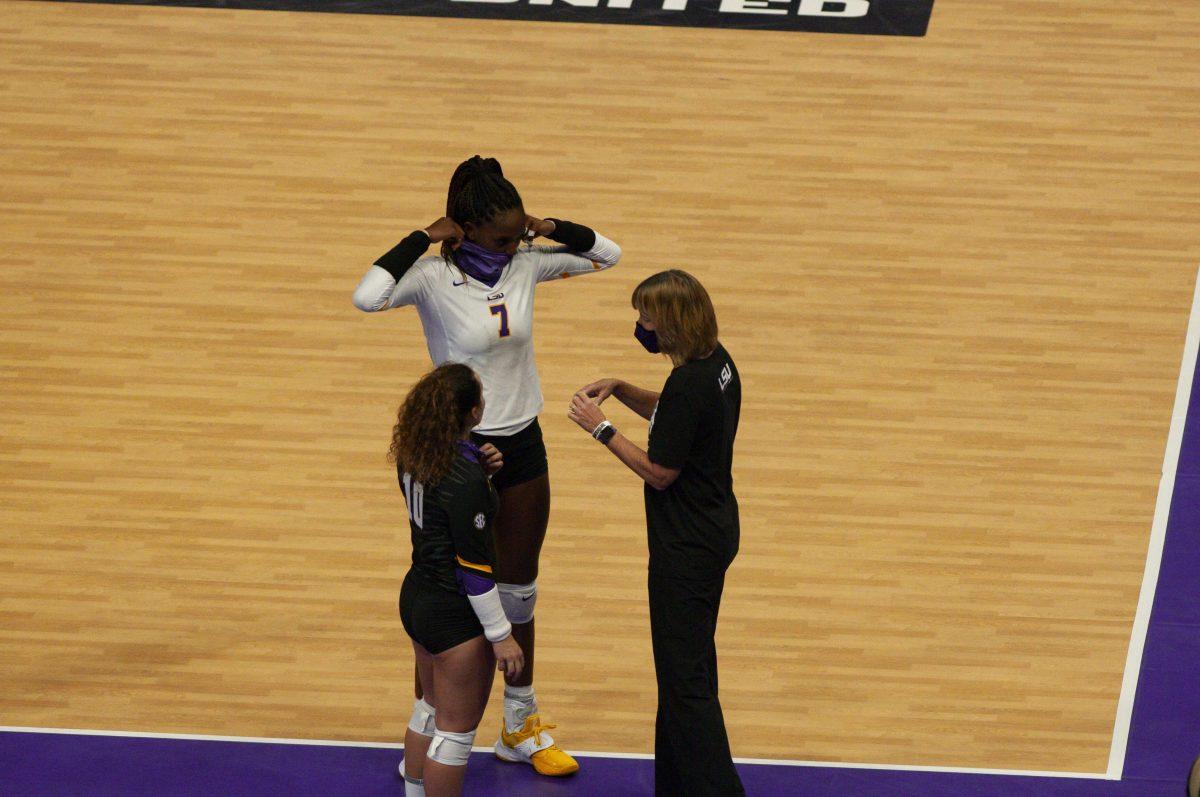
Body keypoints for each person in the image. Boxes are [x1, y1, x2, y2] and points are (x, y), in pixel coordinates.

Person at [353, 155, 620, 776]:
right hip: (456, 450)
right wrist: (422, 236)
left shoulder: (527, 262)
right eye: (501, 237)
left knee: (519, 588)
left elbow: (609, 254)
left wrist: (547, 224)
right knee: (448, 586)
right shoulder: (428, 279)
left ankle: (518, 723)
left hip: (522, 442)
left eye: (518, 233)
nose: (513, 246)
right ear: (464, 230)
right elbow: (367, 297)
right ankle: (433, 712)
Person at [568, 270, 745, 796]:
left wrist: (600, 427)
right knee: (684, 672)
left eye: (645, 317)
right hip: (713, 527)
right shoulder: (717, 364)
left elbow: (660, 471)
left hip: (686, 547)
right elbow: (673, 416)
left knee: (687, 686)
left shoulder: (689, 382)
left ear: (669, 323)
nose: (639, 325)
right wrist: (622, 390)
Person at [390, 363, 521, 797]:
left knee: (428, 707)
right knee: (456, 732)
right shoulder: (463, 479)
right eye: (479, 397)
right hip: (454, 614)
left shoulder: (416, 452)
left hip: (417, 597)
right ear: (471, 413)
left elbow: (444, 508)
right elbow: (475, 571)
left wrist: (479, 470)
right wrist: (502, 635)